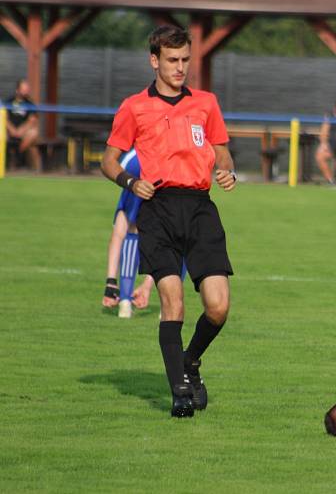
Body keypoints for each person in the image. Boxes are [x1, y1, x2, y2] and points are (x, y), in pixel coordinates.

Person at [100, 25, 237, 418]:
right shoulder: (133, 107)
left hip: (200, 209)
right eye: (172, 60)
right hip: (157, 207)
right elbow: (109, 161)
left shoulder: (206, 104)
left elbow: (222, 153)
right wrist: (130, 181)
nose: (180, 68)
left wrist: (227, 171)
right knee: (172, 301)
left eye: (185, 60)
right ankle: (179, 389)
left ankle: (190, 362)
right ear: (155, 60)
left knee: (218, 307)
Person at [101, 148, 155, 318]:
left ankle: (124, 299)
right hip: (163, 163)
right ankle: (169, 306)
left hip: (138, 160)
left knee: (124, 229)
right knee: (177, 235)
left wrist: (110, 281)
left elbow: (117, 236)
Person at [5, 79, 42, 172]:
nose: (26, 92)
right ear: (17, 90)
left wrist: (21, 130)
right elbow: (3, 118)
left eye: (27, 90)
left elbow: (32, 120)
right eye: (23, 89)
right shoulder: (8, 101)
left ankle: (17, 153)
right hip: (9, 131)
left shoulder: (30, 103)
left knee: (34, 133)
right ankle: (8, 162)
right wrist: (12, 129)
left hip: (23, 132)